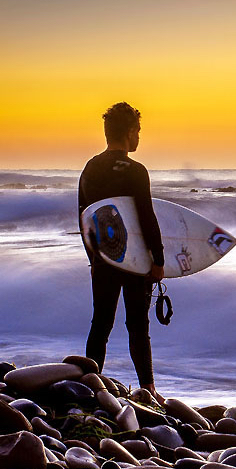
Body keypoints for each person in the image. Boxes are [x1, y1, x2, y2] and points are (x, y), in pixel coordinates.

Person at [78, 102, 166, 403]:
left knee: (100, 323)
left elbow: (84, 217)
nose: (139, 137)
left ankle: (90, 383)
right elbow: (146, 217)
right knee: (138, 326)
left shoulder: (90, 168)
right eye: (137, 131)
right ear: (129, 132)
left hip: (104, 257)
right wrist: (158, 260)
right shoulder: (136, 171)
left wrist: (93, 258)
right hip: (134, 259)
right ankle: (148, 388)